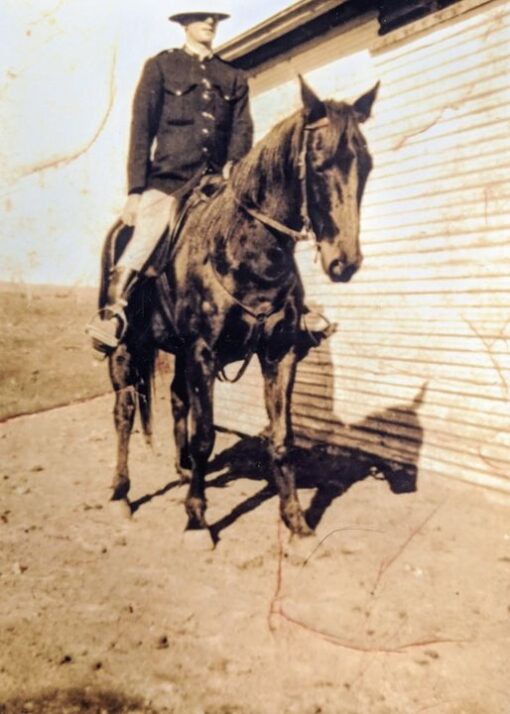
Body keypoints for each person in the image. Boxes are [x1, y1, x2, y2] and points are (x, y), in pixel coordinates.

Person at [86, 7, 254, 353]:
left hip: (216, 185)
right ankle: (113, 313)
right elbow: (141, 130)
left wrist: (234, 167)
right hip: (168, 182)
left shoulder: (233, 76)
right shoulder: (162, 66)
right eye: (202, 16)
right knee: (145, 234)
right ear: (184, 24)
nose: (210, 22)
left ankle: (286, 310)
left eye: (215, 18)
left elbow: (242, 130)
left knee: (255, 233)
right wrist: (135, 191)